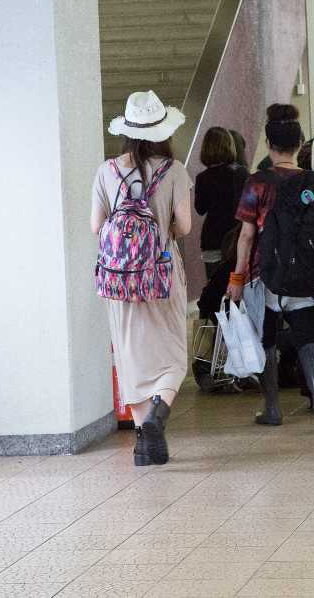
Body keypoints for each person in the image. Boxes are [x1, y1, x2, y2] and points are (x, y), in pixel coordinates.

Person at [92, 90, 192, 466]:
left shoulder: (107, 170)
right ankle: (156, 417)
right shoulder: (174, 170)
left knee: (129, 355)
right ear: (162, 131)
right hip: (162, 275)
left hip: (119, 280)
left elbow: (95, 226)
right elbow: (183, 226)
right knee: (173, 358)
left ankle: (143, 442)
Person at [229, 104, 314, 432]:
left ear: (269, 144)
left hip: (268, 274)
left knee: (267, 338)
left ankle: (272, 407)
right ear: (301, 143)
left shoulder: (257, 183)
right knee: (308, 335)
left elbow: (247, 235)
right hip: (305, 272)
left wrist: (237, 277)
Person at [195, 127, 249, 281]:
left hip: (211, 239)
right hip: (237, 239)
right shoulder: (241, 173)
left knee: (215, 290)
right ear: (229, 146)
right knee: (238, 289)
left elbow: (200, 209)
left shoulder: (202, 178)